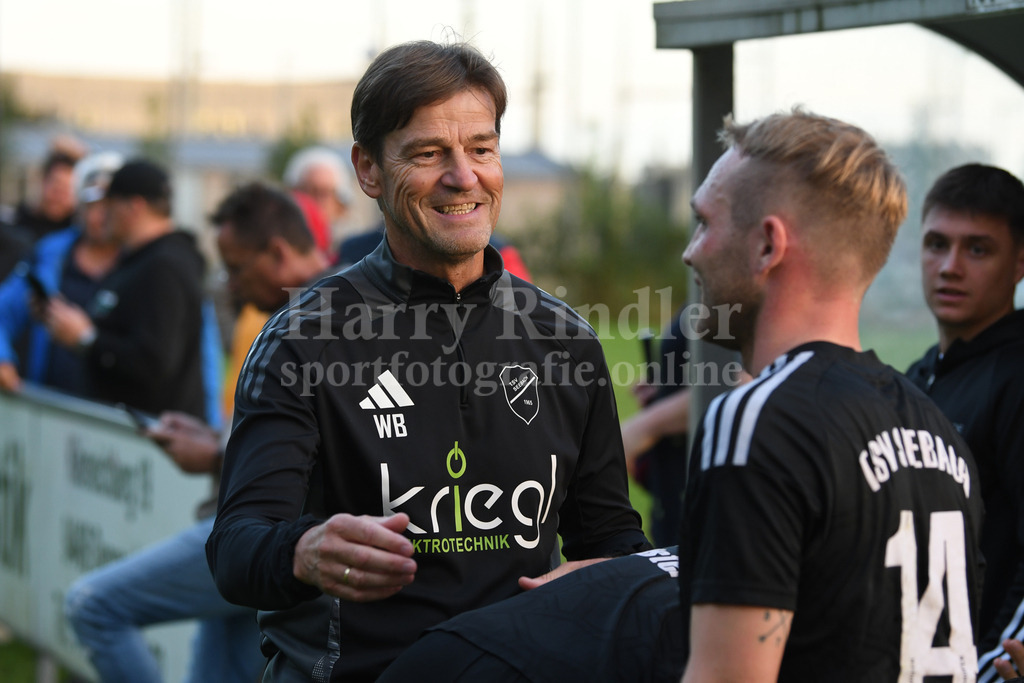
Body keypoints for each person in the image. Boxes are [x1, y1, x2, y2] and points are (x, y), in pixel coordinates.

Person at [378, 109, 985, 682]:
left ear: (768, 246)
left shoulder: (756, 419)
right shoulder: (934, 427)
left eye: (705, 223)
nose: (691, 252)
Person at [206, 40, 650, 682]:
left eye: (481, 148)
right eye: (428, 153)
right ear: (368, 171)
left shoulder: (564, 339)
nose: (463, 176)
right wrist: (304, 550)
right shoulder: (304, 340)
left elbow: (610, 542)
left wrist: (610, 574)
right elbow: (236, 550)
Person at [62, 182, 328, 683]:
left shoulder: (320, 320)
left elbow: (322, 463)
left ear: (277, 252)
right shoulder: (294, 315)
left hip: (267, 539)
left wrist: (212, 457)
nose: (229, 284)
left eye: (236, 266)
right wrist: (214, 440)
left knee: (93, 605)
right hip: (253, 541)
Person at [902, 163, 1024, 681]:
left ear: (1020, 262)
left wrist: (993, 665)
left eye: (978, 249)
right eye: (936, 244)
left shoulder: (1017, 375)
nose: (950, 266)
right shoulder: (921, 374)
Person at [43, 158, 209, 419]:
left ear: (134, 207)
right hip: (126, 440)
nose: (102, 216)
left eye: (109, 206)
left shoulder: (163, 266)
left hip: (146, 442)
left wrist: (87, 339)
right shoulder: (139, 260)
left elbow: (155, 364)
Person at [0, 151, 123, 395]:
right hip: (51, 410)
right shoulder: (51, 252)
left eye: (110, 205)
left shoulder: (146, 262)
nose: (102, 216)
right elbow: (3, 311)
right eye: (93, 205)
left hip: (116, 417)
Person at [283, 145, 355, 250]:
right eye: (307, 191)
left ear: (340, 205)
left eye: (324, 193)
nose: (315, 201)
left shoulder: (353, 252)